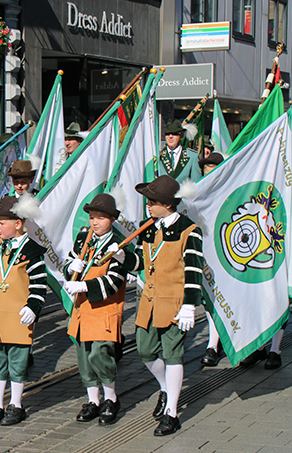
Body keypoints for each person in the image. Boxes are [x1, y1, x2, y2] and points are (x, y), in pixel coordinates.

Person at [122, 175, 203, 436]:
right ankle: (165, 387)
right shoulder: (148, 227)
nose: (147, 205)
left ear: (167, 204)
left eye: (152, 201)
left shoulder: (189, 230)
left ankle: (172, 413)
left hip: (174, 303)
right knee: (145, 352)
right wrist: (124, 257)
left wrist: (190, 306)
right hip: (149, 302)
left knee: (173, 355)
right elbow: (142, 263)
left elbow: (193, 271)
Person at [0, 195, 47, 426]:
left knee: (17, 363)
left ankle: (16, 404)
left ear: (18, 224)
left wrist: (33, 307)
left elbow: (39, 284)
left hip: (17, 317)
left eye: (2, 223)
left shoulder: (32, 251)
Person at [62, 193, 130, 425]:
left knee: (100, 355)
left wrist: (83, 284)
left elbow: (113, 282)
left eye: (101, 218)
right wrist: (70, 267)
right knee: (84, 358)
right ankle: (93, 400)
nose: (94, 222)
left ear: (112, 219)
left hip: (104, 310)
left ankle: (111, 398)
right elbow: (69, 268)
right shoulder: (84, 239)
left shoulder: (118, 246)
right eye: (92, 217)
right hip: (82, 310)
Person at [198, 151, 226, 368]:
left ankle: (217, 343)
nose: (209, 173)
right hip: (206, 250)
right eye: (206, 169)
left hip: (227, 251)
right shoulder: (197, 193)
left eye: (214, 168)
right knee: (210, 298)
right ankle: (212, 344)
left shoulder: (229, 189)